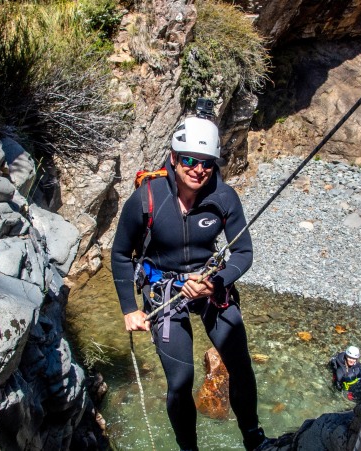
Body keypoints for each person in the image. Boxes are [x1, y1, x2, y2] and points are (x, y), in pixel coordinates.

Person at [111, 107, 269, 451]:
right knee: (181, 382)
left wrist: (218, 281)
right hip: (163, 289)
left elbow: (243, 252)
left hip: (210, 285)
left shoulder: (223, 197)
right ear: (173, 157)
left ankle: (254, 440)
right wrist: (129, 309)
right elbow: (121, 255)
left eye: (207, 162)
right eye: (189, 160)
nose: (198, 169)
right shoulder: (147, 198)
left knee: (240, 366)